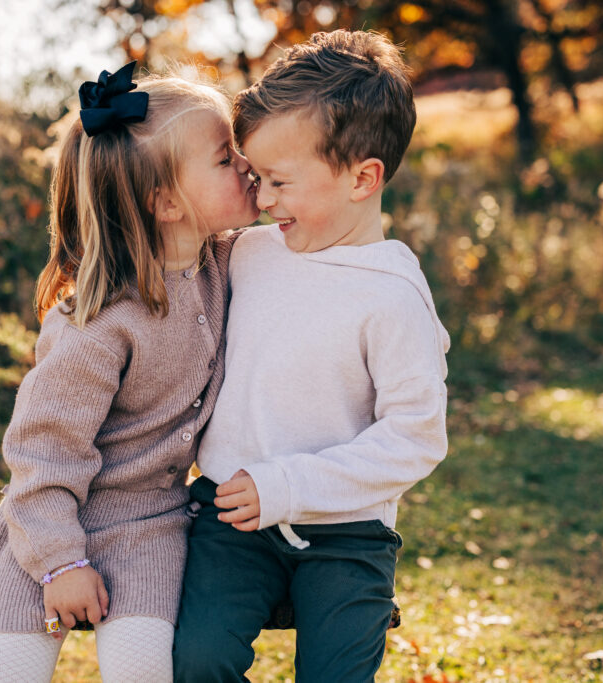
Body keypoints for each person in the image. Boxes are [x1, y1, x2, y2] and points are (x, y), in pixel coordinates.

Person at [0, 61, 259, 683]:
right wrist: (59, 563)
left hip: (150, 525)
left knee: (142, 668)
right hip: (53, 519)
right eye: (225, 158)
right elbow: (44, 449)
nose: (245, 164)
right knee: (8, 672)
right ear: (164, 202)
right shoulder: (100, 322)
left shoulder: (228, 261)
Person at [172, 30, 450, 682]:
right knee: (196, 659)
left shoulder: (394, 296)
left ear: (362, 177)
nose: (261, 200)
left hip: (346, 531)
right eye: (253, 177)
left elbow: (416, 439)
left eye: (278, 182)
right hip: (230, 516)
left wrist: (290, 486)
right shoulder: (246, 252)